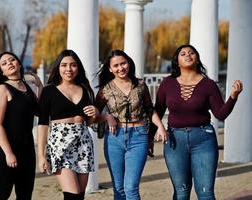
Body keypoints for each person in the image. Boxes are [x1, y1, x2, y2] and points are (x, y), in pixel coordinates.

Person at [155, 44, 243, 200]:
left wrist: (233, 96)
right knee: (181, 192)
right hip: (175, 140)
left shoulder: (208, 85)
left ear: (197, 58)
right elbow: (158, 110)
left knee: (205, 193)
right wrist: (150, 136)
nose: (188, 55)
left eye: (191, 53)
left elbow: (220, 114)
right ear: (177, 60)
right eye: (183, 53)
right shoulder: (167, 83)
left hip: (203, 140)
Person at [95, 49, 167, 200]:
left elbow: (149, 109)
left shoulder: (140, 85)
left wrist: (160, 127)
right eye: (116, 65)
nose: (121, 68)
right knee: (119, 189)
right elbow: (93, 117)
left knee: (131, 188)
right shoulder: (105, 90)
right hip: (114, 138)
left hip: (138, 137)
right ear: (110, 68)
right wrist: (106, 116)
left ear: (128, 63)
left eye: (123, 63)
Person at [37, 49, 98, 200]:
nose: (68, 69)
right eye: (64, 65)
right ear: (58, 67)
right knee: (72, 195)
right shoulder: (49, 90)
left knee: (80, 196)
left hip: (83, 142)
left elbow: (89, 122)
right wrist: (41, 156)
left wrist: (95, 113)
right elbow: (43, 124)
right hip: (60, 144)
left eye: (73, 65)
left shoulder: (86, 89)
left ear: (78, 68)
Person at [0, 52, 43, 200]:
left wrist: (40, 86)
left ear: (18, 63)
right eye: (4, 63)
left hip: (26, 148)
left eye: (12, 60)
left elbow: (40, 111)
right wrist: (8, 153)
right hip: (2, 150)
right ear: (1, 71)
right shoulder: (2, 89)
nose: (9, 63)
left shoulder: (25, 86)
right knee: (1, 194)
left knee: (25, 195)